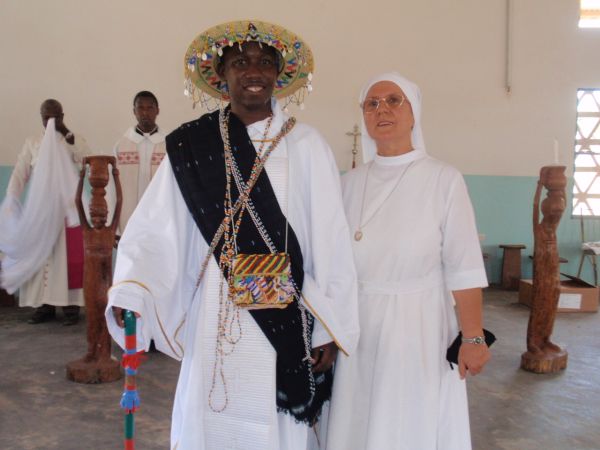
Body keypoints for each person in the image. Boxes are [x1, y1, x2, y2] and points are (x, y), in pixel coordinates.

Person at [105, 20, 359, 450]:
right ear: (221, 75)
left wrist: (327, 328)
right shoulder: (193, 145)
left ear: (279, 74)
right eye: (240, 62)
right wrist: (133, 289)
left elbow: (330, 239)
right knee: (214, 414)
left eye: (264, 62)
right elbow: (155, 229)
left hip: (288, 310)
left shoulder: (307, 144)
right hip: (215, 307)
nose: (253, 71)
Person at [325, 73, 491, 450]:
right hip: (358, 324)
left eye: (393, 100)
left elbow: (464, 266)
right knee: (358, 419)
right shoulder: (349, 183)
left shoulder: (443, 179)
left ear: (414, 113)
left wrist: (473, 337)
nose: (382, 109)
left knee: (408, 421)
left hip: (419, 325)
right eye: (372, 103)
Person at [4, 99, 89, 325]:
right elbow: (21, 171)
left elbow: (87, 162)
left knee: (68, 259)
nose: (51, 121)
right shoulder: (33, 142)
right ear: (41, 118)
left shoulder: (73, 140)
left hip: (67, 212)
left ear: (62, 116)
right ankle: (44, 307)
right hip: (40, 210)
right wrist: (12, 196)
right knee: (41, 258)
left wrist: (67, 134)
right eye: (47, 117)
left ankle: (71, 308)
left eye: (56, 117)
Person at [113, 90, 166, 234]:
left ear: (157, 111)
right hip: (128, 211)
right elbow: (112, 185)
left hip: (159, 212)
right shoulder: (121, 145)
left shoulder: (168, 145)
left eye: (150, 108)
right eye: (140, 108)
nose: (145, 113)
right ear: (134, 111)